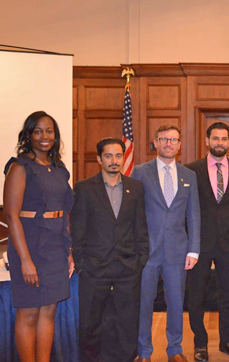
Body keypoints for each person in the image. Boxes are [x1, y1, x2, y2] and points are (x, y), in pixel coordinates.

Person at [70, 137, 149, 362]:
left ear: (123, 158)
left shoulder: (136, 188)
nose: (114, 160)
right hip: (95, 268)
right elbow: (78, 230)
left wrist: (140, 259)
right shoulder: (84, 188)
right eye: (108, 156)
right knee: (91, 324)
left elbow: (140, 226)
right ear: (98, 159)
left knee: (127, 323)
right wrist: (82, 263)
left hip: (128, 267)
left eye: (118, 155)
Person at [3, 111, 74, 362]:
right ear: (29, 135)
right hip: (30, 244)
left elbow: (64, 213)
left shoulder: (59, 168)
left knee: (49, 311)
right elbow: (12, 216)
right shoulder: (20, 167)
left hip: (56, 246)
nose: (45, 136)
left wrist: (69, 252)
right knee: (29, 314)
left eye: (50, 131)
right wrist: (25, 260)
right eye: (38, 131)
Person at [131, 124, 201, 362]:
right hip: (146, 252)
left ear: (180, 144)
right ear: (155, 142)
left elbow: (194, 215)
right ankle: (144, 352)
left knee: (176, 302)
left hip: (178, 252)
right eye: (163, 139)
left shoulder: (189, 176)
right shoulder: (140, 172)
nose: (168, 143)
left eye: (173, 139)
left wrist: (194, 250)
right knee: (144, 303)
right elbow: (133, 213)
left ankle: (175, 350)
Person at [185, 122, 229, 361]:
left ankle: (226, 341)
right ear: (207, 141)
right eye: (215, 138)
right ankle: (200, 343)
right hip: (198, 244)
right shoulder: (191, 170)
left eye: (224, 139)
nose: (220, 143)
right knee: (196, 295)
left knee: (228, 294)